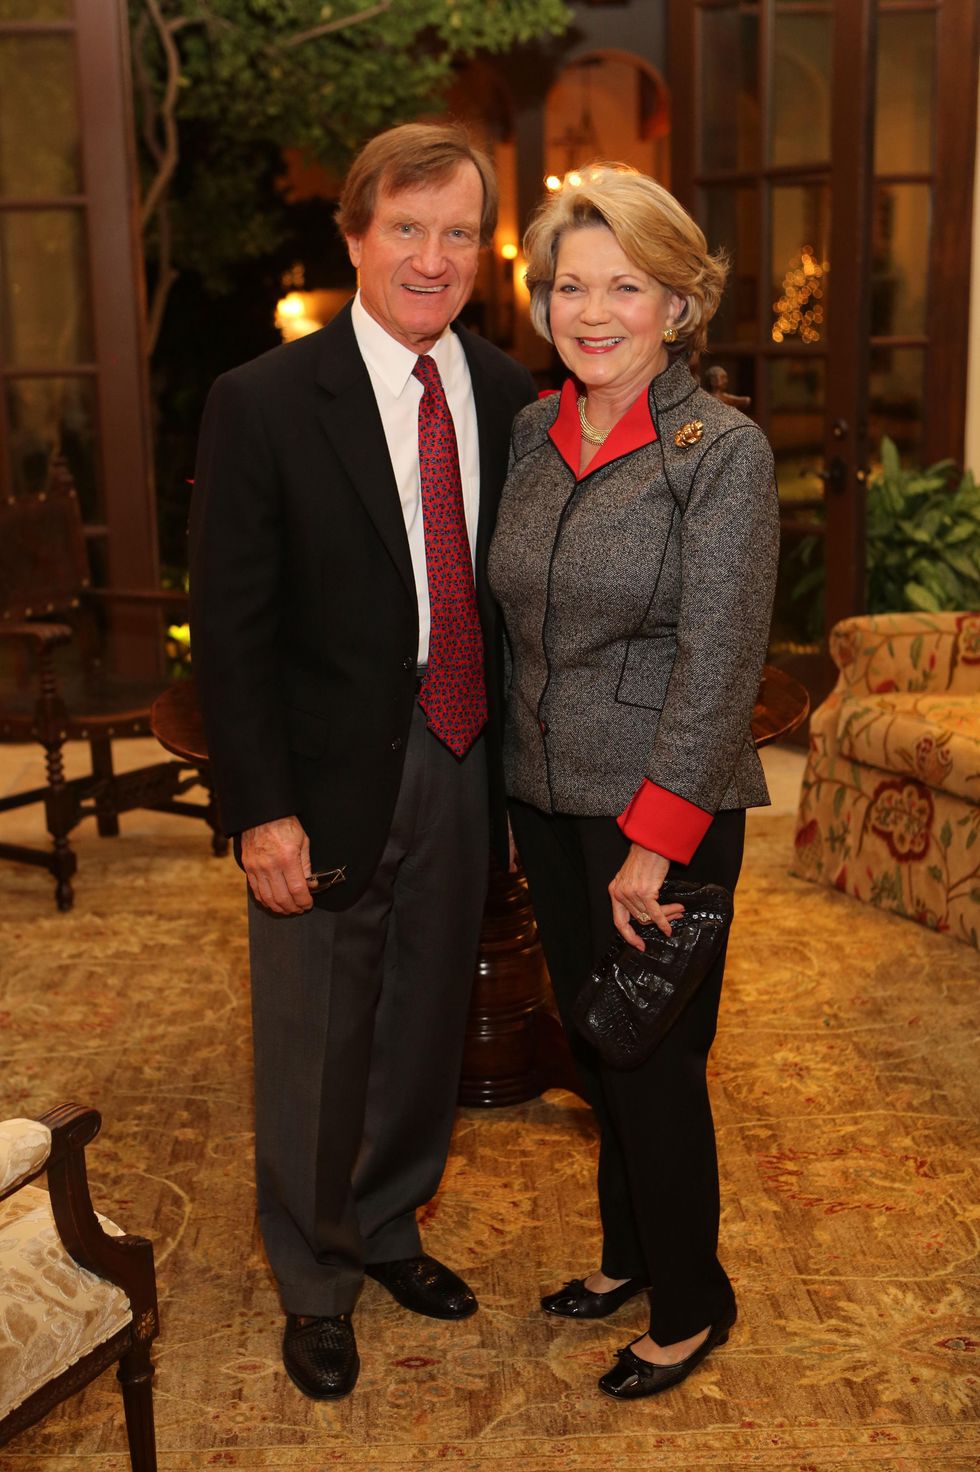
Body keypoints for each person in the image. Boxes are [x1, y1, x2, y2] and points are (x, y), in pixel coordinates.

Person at [189, 122, 536, 1401]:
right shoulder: (264, 401)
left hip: (459, 758)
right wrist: (258, 808)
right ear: (352, 237)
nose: (432, 257)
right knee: (313, 1037)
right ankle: (315, 1274)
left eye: (457, 232)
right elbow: (229, 628)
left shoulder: (507, 395)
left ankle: (388, 1225)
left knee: (423, 1019)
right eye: (406, 227)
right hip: (321, 778)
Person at [487, 164, 779, 1400]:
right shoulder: (531, 431)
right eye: (569, 285)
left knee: (653, 1062)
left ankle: (690, 1297)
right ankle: (623, 1252)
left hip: (662, 813)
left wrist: (652, 844)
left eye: (625, 286)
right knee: (602, 1050)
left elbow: (720, 664)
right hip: (546, 801)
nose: (591, 311)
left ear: (677, 303)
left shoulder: (721, 451)